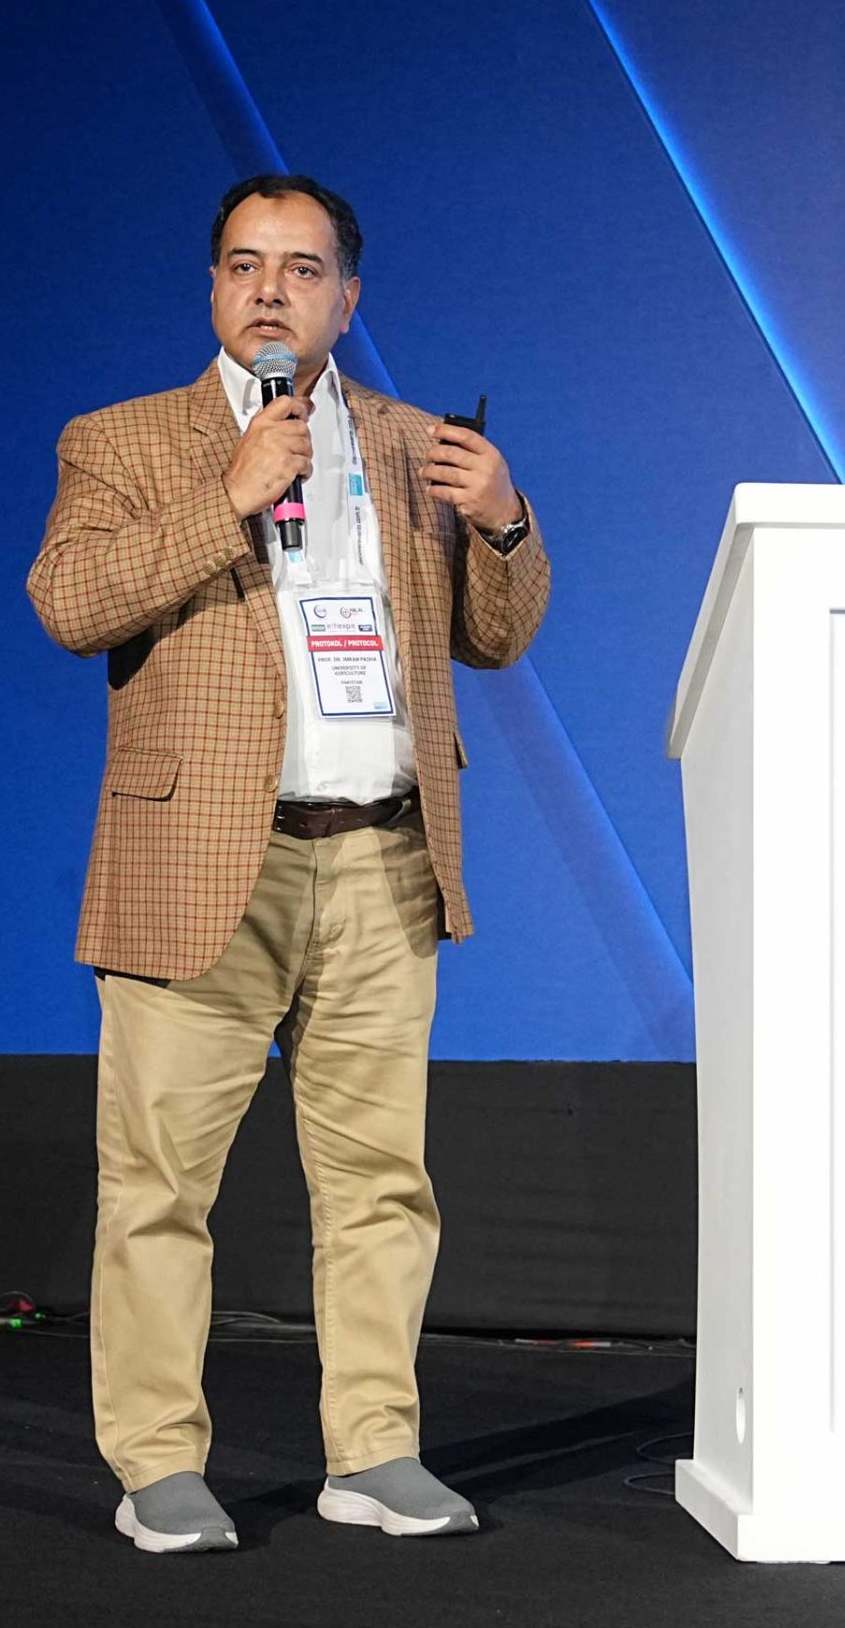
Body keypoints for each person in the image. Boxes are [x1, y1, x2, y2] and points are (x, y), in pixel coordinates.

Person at [27, 173, 549, 1553]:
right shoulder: (124, 440)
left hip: (381, 856)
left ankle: (374, 1451)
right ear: (214, 286)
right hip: (204, 862)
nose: (272, 289)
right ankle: (157, 1465)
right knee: (159, 1187)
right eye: (246, 264)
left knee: (382, 1184)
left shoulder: (414, 443)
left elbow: (497, 638)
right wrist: (230, 494)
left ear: (347, 298)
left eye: (303, 269)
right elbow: (70, 601)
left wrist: (504, 518)